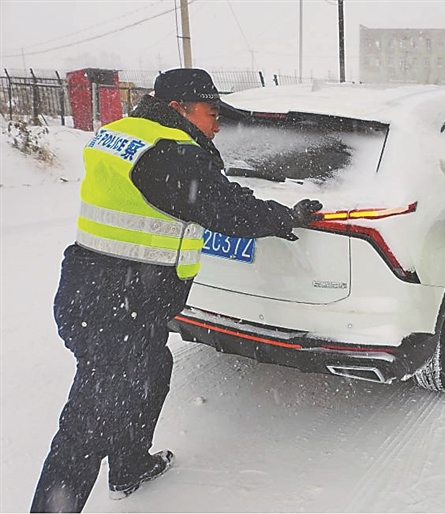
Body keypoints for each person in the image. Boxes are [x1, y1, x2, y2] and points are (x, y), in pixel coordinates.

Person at [30, 68, 323, 512]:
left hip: (96, 289)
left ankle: (129, 466)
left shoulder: (125, 132)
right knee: (90, 421)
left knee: (151, 370)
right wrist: (286, 217)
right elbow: (227, 209)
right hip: (119, 302)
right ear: (177, 109)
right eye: (211, 113)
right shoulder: (171, 153)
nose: (217, 125)